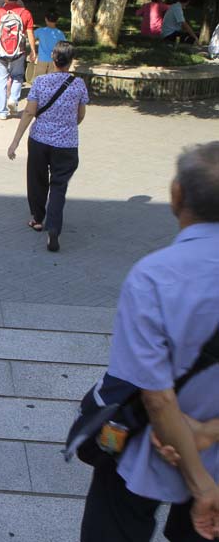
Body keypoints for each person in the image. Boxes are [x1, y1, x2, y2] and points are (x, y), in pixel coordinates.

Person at [79, 141, 219, 542]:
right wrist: (208, 432)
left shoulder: (155, 275)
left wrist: (199, 482)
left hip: (144, 444)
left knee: (116, 523)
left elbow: (156, 397)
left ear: (177, 195)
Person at [6, 41, 88, 253]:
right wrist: (66, 126)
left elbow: (29, 112)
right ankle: (54, 228)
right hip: (67, 144)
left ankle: (37, 219)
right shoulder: (79, 84)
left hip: (40, 141)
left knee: (37, 181)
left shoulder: (40, 82)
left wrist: (15, 141)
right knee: (59, 187)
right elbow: (80, 115)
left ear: (53, 58)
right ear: (71, 61)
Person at [0, 0, 36, 119]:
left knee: (1, 80)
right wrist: (33, 51)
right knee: (18, 76)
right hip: (18, 51)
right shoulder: (25, 13)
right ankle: (13, 99)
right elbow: (30, 32)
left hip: (0, 51)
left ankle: (2, 112)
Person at [30, 9, 65, 81]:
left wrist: (32, 51)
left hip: (42, 59)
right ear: (57, 20)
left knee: (38, 80)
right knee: (51, 81)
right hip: (54, 60)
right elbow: (64, 46)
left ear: (46, 19)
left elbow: (31, 38)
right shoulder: (60, 33)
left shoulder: (40, 31)